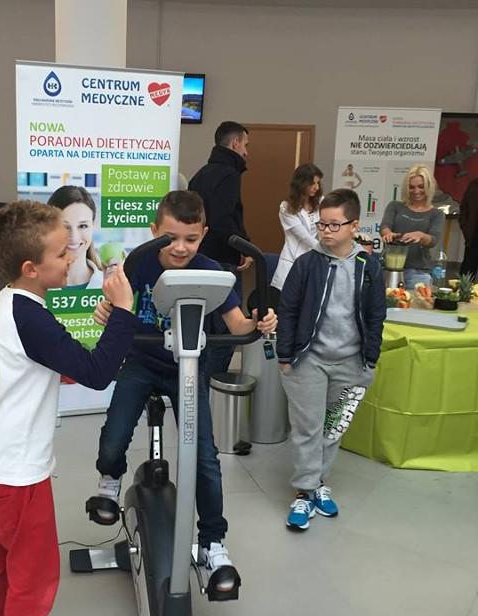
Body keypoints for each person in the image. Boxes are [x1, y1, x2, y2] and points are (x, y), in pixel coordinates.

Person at [0, 200, 136, 616]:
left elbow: (2, 365)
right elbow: (98, 374)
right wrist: (124, 311)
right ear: (31, 267)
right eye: (62, 253)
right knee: (35, 574)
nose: (72, 256)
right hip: (17, 470)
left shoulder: (7, 303)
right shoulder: (32, 317)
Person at [91, 191, 277, 577]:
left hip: (188, 368)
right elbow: (115, 307)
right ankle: (110, 478)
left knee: (205, 458)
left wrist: (258, 323)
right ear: (154, 230)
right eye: (171, 238)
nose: (180, 248)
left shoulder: (211, 270)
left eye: (191, 239)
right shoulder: (138, 264)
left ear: (203, 234)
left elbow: (237, 324)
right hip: (142, 361)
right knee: (113, 437)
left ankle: (212, 542)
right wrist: (106, 310)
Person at [277, 189, 385, 531]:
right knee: (307, 428)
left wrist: (370, 359)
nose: (325, 231)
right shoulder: (307, 264)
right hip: (308, 360)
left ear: (354, 226)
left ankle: (318, 483)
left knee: (333, 427)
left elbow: (376, 315)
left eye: (334, 224)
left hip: (351, 363)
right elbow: (288, 310)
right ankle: (304, 491)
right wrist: (284, 355)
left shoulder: (369, 266)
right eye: (322, 224)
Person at [188, 121, 253, 377]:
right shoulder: (229, 175)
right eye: (245, 145)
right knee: (225, 331)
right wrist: (244, 247)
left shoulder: (199, 175)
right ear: (235, 143)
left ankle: (196, 379)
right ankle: (210, 384)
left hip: (199, 259)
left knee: (202, 327)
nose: (246, 152)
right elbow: (224, 219)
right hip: (223, 261)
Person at [379, 165, 444, 289]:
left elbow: (433, 240)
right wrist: (387, 233)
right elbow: (385, 225)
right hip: (388, 269)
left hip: (418, 272)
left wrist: (421, 236)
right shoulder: (395, 206)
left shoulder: (436, 214)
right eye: (411, 187)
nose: (416, 191)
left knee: (416, 301)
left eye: (421, 186)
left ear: (429, 187)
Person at [270, 164, 324, 305]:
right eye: (312, 183)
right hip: (293, 259)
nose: (316, 187)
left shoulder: (321, 202)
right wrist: (326, 250)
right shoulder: (286, 207)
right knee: (291, 302)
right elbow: (304, 236)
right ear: (301, 183)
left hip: (316, 259)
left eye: (318, 183)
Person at [47, 185, 103, 288]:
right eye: (65, 227)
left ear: (93, 226)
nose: (74, 237)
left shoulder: (107, 284)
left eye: (83, 226)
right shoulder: (33, 287)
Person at [459, 177, 478, 277]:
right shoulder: (474, 185)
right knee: (466, 277)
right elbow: (463, 209)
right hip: (473, 240)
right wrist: (467, 230)